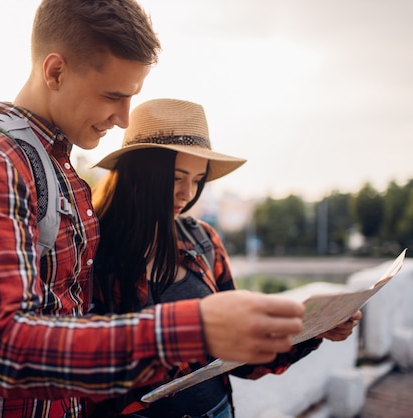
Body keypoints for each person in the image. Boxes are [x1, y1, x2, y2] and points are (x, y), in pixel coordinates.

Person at [0, 1, 327, 417]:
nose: (126, 120)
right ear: (55, 71)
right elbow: (1, 349)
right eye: (114, 95)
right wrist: (192, 328)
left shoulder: (51, 162)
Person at [90, 98, 363, 418]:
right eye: (177, 178)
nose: (187, 194)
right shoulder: (90, 251)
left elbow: (238, 353)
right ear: (138, 174)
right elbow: (84, 362)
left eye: (197, 179)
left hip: (218, 411)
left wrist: (317, 330)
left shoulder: (203, 240)